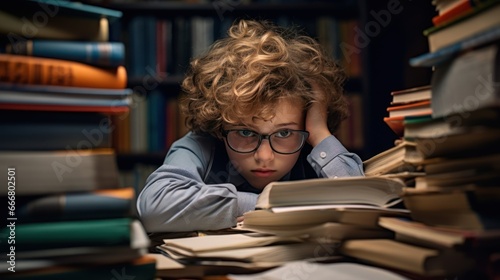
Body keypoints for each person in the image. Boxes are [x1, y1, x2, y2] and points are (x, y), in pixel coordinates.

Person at [137, 19, 364, 233]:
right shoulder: (201, 145)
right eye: (245, 132)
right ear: (220, 125)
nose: (264, 156)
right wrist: (269, 205)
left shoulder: (311, 145)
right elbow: (154, 207)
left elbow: (363, 204)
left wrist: (319, 133)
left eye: (284, 132)